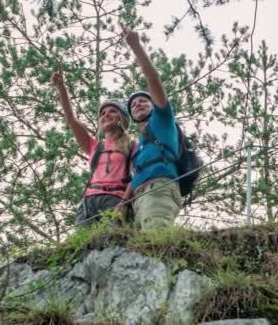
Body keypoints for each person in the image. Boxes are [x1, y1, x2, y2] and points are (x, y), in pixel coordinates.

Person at [50, 63, 135, 227]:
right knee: (82, 248)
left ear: (121, 118)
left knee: (112, 243)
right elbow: (71, 120)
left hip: (115, 199)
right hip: (88, 202)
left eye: (112, 111)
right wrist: (61, 88)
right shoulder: (95, 147)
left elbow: (138, 175)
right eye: (102, 113)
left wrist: (124, 203)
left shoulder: (132, 145)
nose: (105, 115)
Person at [122, 25, 182, 230]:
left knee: (155, 246)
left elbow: (153, 79)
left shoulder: (162, 119)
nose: (137, 104)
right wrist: (124, 201)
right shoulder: (141, 143)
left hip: (158, 189)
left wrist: (136, 47)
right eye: (133, 105)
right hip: (140, 196)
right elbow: (135, 174)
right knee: (143, 251)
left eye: (143, 101)